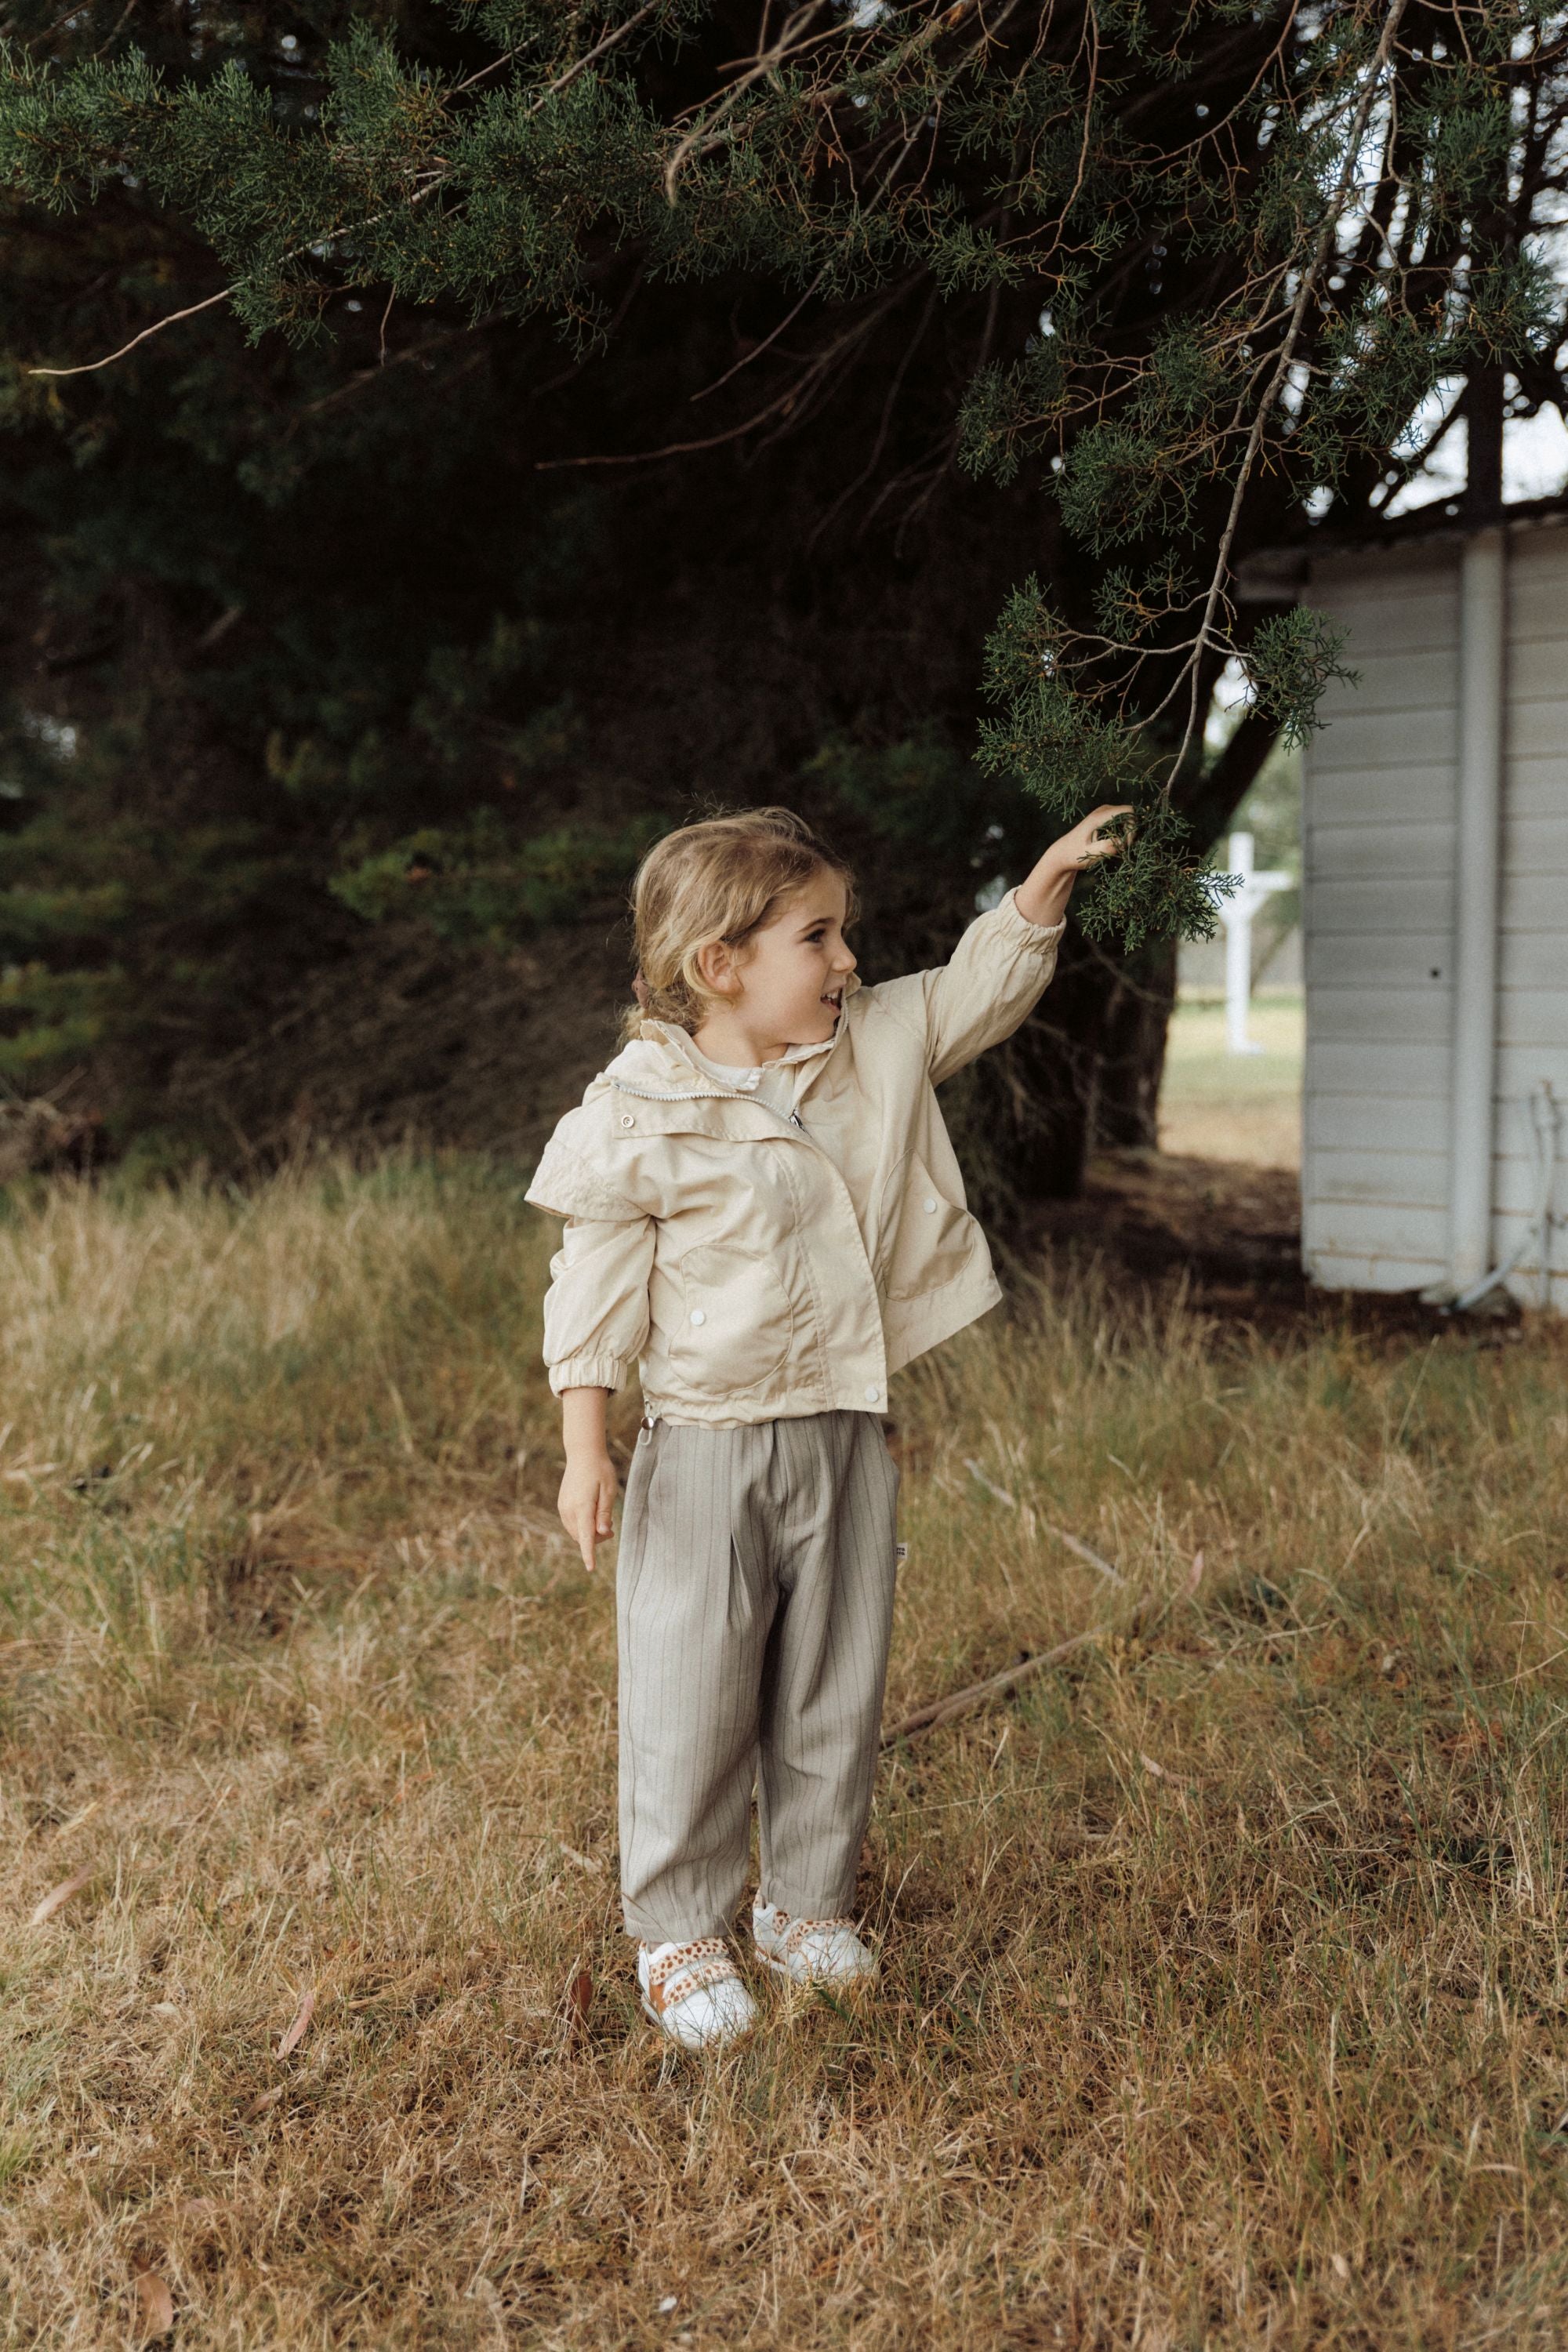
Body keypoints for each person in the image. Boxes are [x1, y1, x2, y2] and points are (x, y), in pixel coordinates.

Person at [524, 801, 1129, 2050]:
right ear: (720, 967)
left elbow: (973, 990)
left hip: (846, 1430)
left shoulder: (874, 1043)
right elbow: (591, 1283)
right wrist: (589, 1447)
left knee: (832, 1687)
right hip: (707, 1446)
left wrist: (1041, 890)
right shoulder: (640, 1110)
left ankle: (804, 1905)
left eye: (846, 935)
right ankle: (679, 1929)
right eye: (820, 937)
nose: (849, 960)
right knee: (692, 1692)